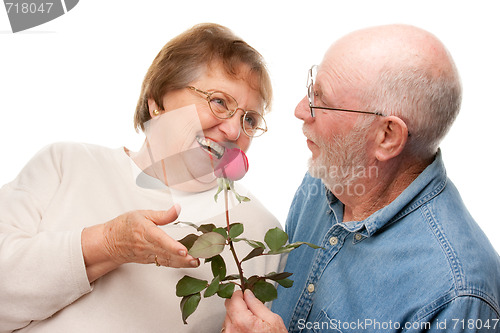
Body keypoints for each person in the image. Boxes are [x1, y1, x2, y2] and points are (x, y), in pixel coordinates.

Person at [0, 23, 282, 332]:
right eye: (219, 101)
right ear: (158, 101)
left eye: (250, 119)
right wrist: (109, 244)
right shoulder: (66, 164)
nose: (233, 131)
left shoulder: (260, 230)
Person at [223, 24, 500, 332]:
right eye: (310, 88)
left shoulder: (458, 296)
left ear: (387, 136)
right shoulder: (327, 176)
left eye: (320, 99)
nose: (300, 110)